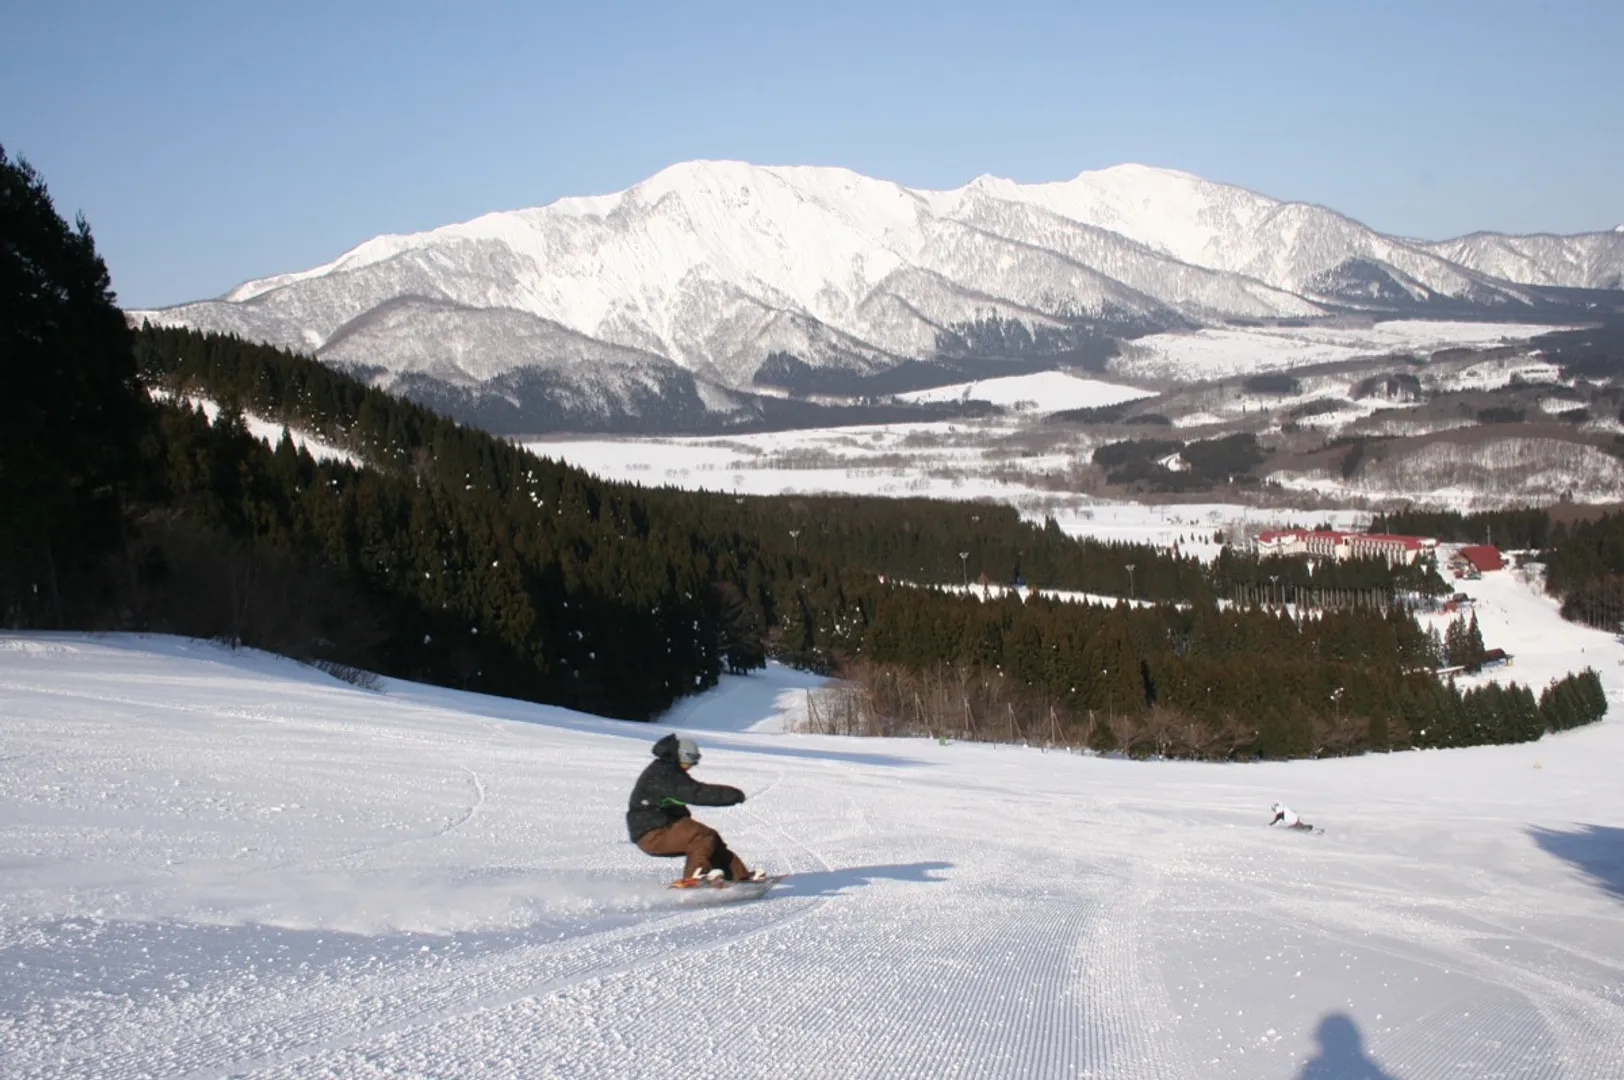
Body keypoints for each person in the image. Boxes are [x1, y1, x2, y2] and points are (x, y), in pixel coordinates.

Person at [627, 734, 766, 885]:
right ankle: (694, 878)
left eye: (695, 759)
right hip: (651, 832)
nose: (692, 764)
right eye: (690, 759)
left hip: (662, 826)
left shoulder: (670, 770)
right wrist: (731, 795)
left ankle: (738, 876)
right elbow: (696, 793)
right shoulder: (664, 773)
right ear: (680, 756)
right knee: (701, 835)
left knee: (712, 839)